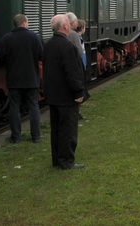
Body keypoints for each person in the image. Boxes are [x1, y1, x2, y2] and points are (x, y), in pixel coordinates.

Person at [43, 14, 85, 170]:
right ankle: (66, 160)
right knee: (68, 130)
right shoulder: (68, 47)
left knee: (56, 130)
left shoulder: (48, 45)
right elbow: (72, 73)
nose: (70, 26)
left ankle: (57, 160)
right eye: (68, 24)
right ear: (65, 27)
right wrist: (79, 92)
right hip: (66, 97)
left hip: (53, 96)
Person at [0, 14, 43, 144]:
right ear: (24, 22)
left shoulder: (7, 38)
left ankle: (16, 136)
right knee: (33, 106)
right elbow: (41, 55)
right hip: (31, 78)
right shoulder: (34, 37)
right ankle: (36, 136)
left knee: (14, 107)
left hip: (14, 79)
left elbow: (0, 56)